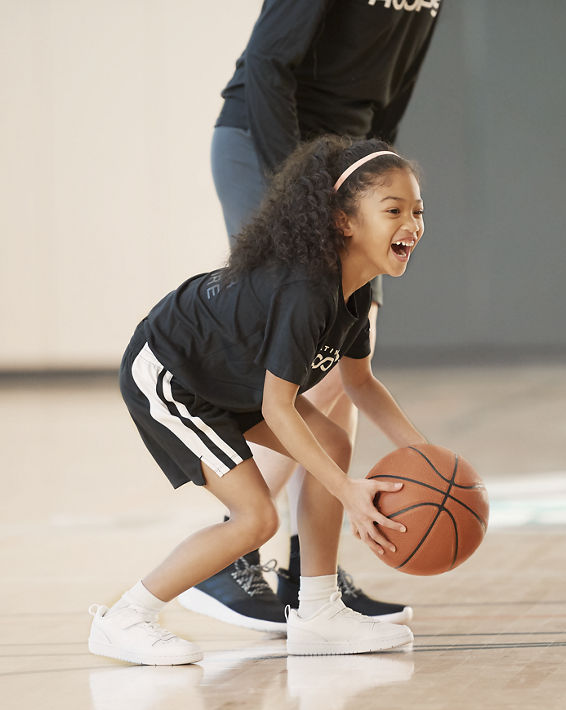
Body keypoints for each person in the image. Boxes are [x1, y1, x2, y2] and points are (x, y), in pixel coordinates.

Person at [88, 135, 427, 665]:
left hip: (230, 376)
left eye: (416, 211)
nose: (411, 224)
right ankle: (123, 618)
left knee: (334, 439)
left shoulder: (354, 292)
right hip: (172, 374)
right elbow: (278, 407)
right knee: (254, 520)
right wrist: (349, 494)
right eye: (393, 210)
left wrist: (426, 455)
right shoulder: (304, 291)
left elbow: (361, 384)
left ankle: (317, 611)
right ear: (343, 221)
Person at [189, 0, 443, 631]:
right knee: (317, 374)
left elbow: (396, 86)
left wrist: (374, 169)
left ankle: (315, 576)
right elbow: (271, 61)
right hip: (273, 148)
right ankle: (233, 550)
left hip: (346, 162)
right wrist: (297, 185)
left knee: (351, 355)